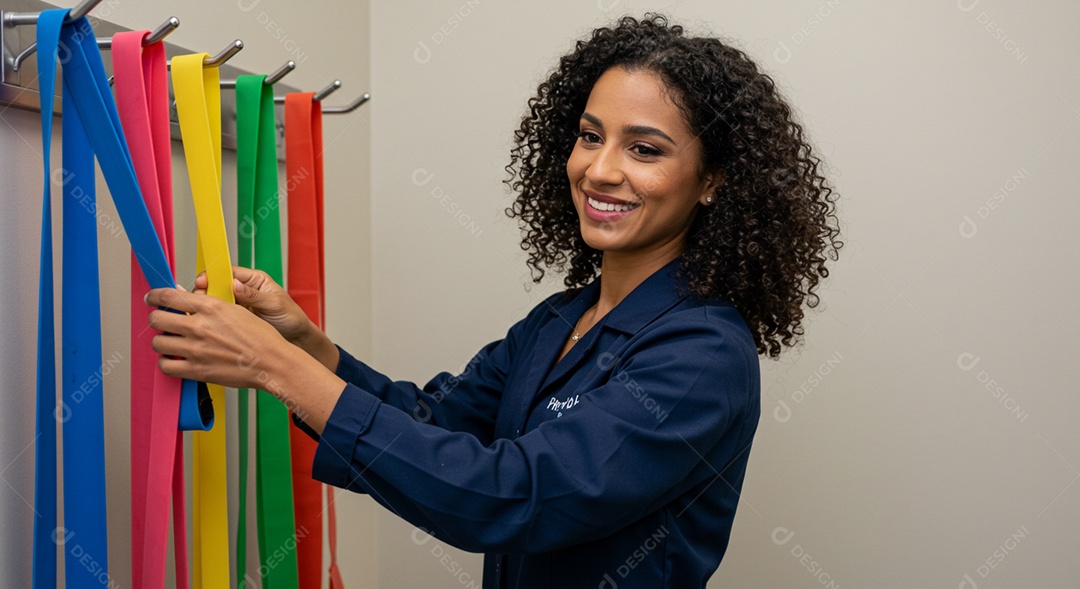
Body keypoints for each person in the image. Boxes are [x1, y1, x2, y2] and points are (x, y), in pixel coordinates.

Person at [145, 13, 842, 588]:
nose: (600, 170)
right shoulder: (560, 320)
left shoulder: (704, 354)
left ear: (713, 180)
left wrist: (275, 368)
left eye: (645, 149)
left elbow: (513, 495)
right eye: (591, 136)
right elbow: (436, 424)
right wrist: (309, 349)